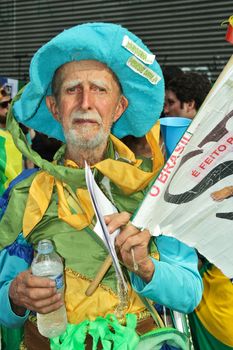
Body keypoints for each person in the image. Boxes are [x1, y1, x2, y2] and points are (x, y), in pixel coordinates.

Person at [0, 23, 202, 350]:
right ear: (54, 107)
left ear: (119, 108)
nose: (85, 102)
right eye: (71, 90)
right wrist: (15, 295)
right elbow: (5, 311)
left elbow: (189, 294)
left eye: (100, 89)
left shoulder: (156, 190)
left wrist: (147, 268)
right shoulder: (24, 192)